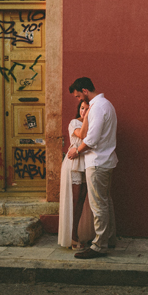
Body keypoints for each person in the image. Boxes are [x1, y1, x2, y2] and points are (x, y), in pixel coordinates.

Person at [67, 77, 119, 259]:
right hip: (105, 161)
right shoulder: (107, 104)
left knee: (98, 205)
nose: (79, 100)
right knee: (104, 202)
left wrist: (76, 151)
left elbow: (91, 139)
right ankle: (107, 239)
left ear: (85, 91)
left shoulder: (97, 107)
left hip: (97, 162)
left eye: (78, 96)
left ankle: (99, 246)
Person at [57, 100, 95, 249]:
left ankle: (79, 234)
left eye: (86, 109)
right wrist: (86, 118)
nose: (83, 111)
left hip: (86, 162)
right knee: (74, 199)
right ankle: (72, 237)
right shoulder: (74, 122)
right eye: (81, 108)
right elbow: (83, 135)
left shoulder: (92, 123)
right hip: (74, 163)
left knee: (82, 200)